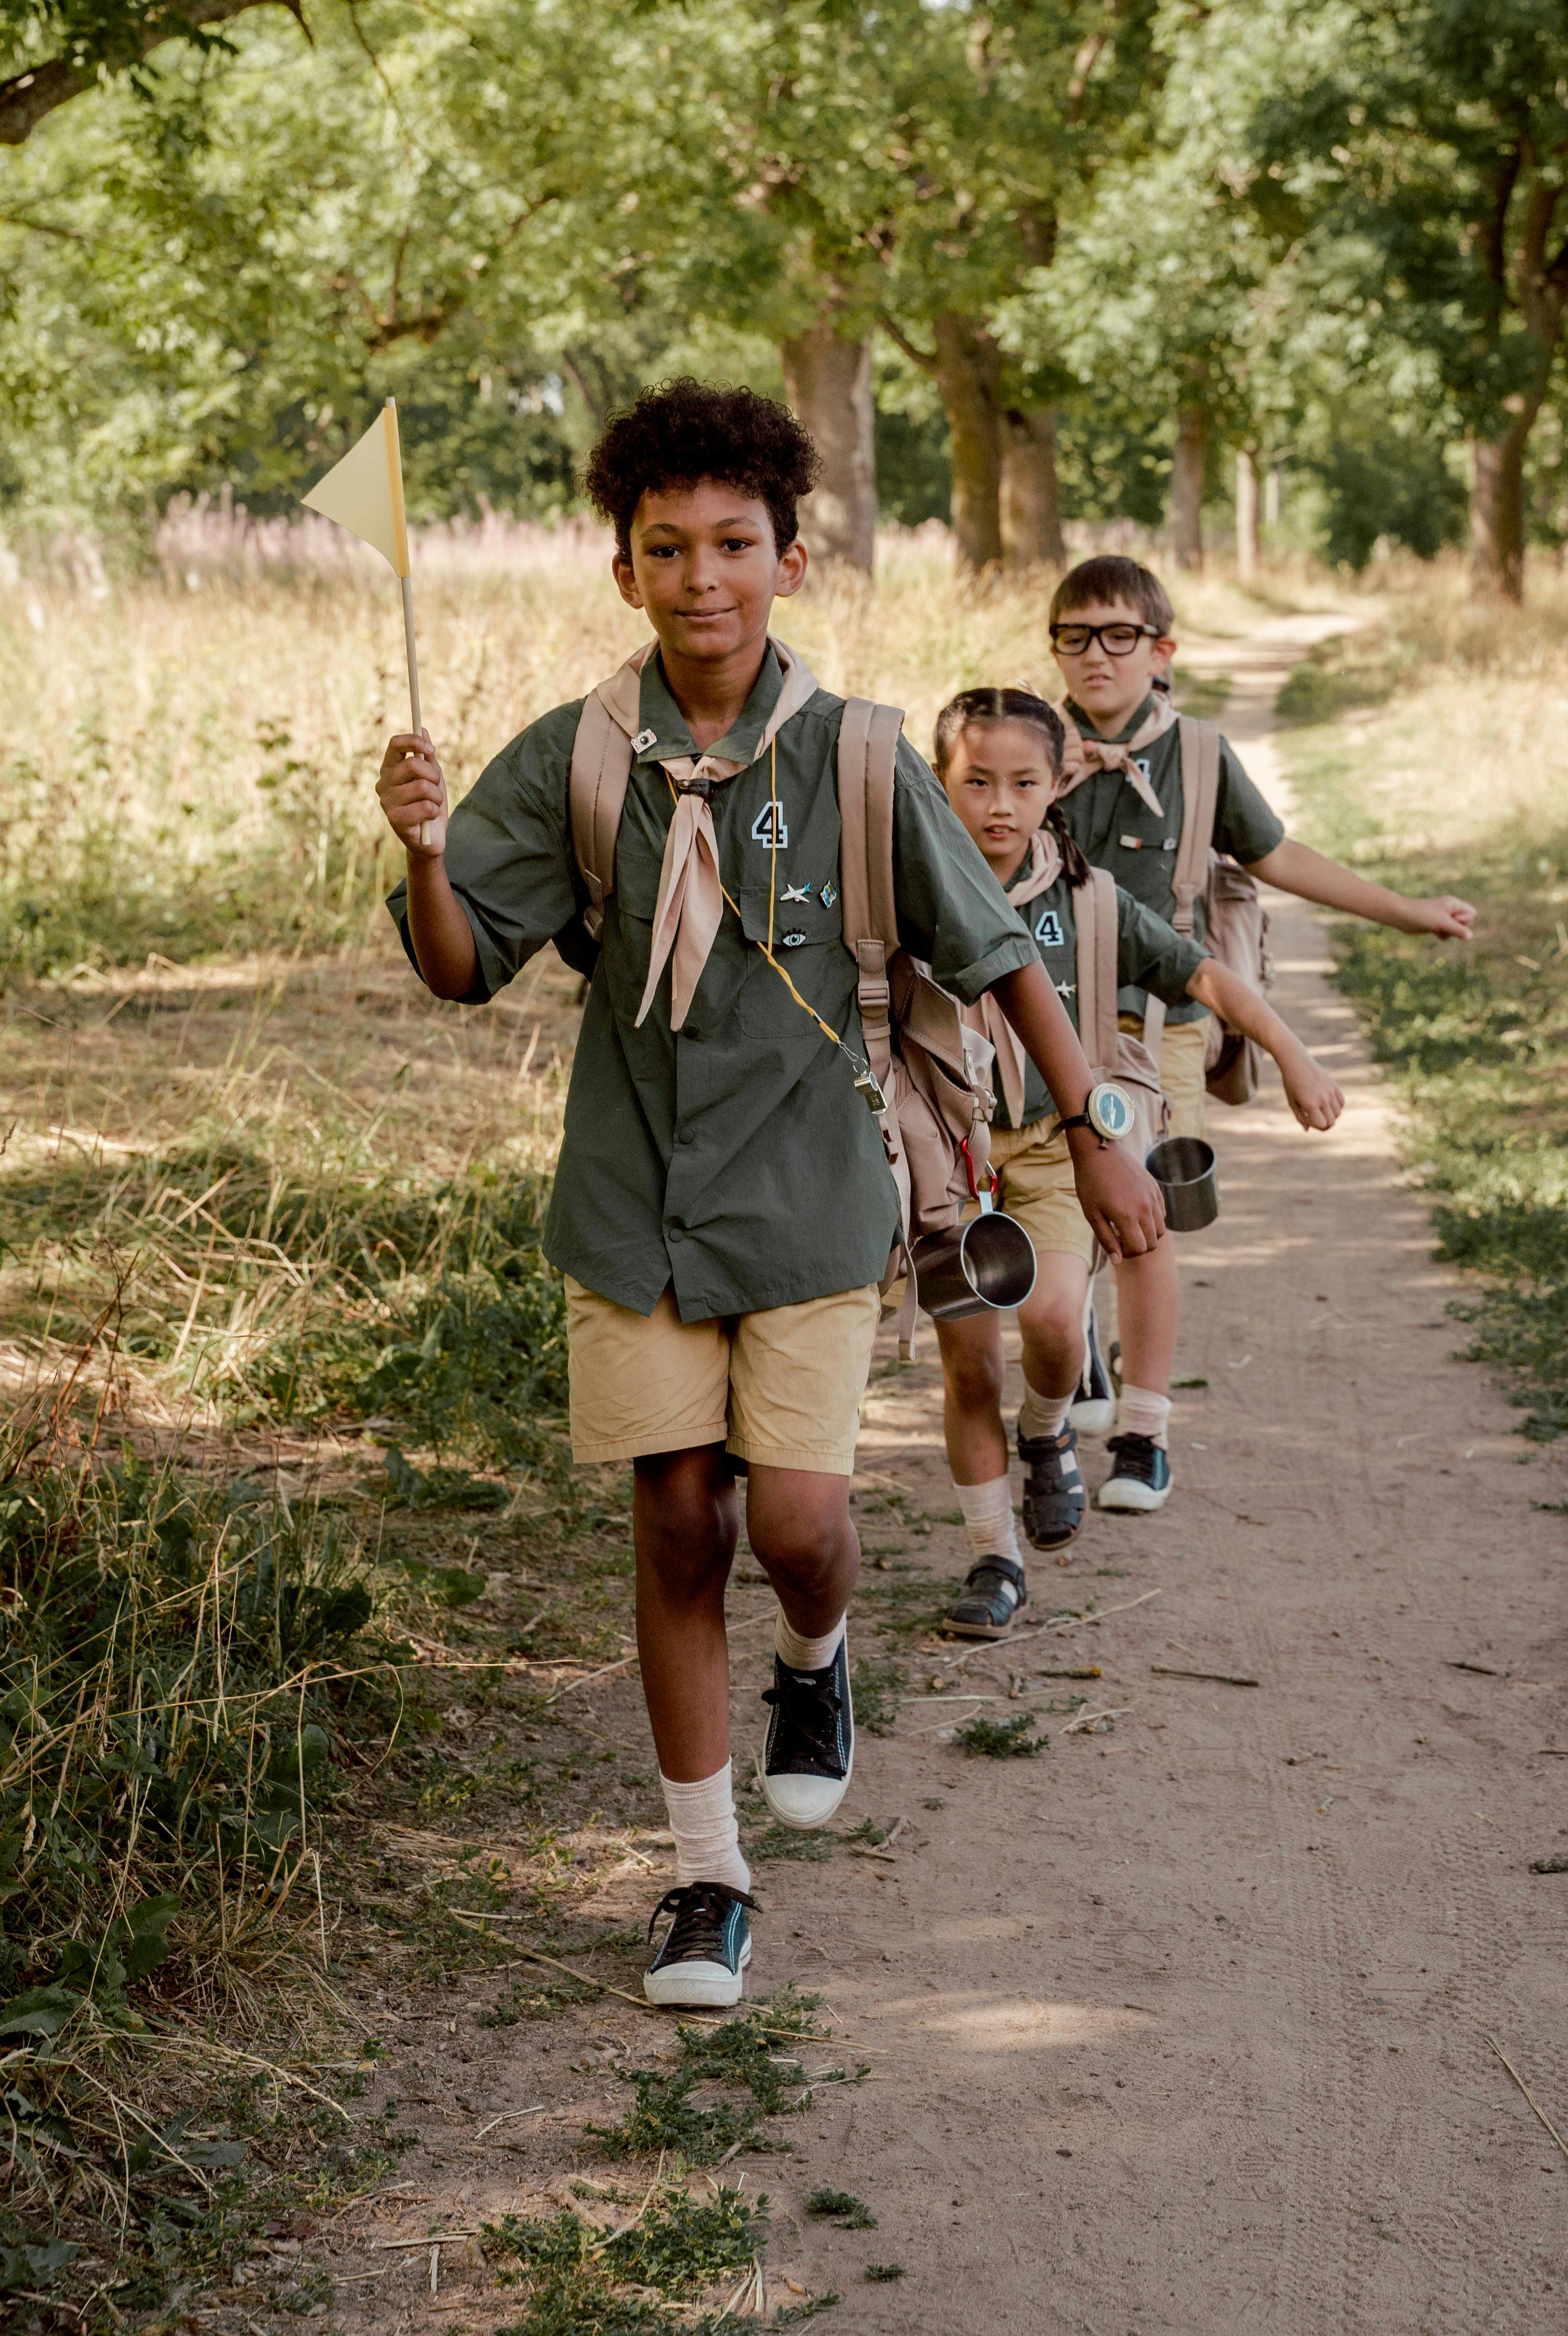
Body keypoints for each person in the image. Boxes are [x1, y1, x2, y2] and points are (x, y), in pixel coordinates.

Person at [373, 383, 1162, 2010]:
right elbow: (462, 972)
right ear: (625, 571)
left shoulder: (864, 756)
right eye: (666, 547)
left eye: (735, 543)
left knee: (797, 1526)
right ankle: (703, 1876)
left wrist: (1092, 1127)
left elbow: (999, 955)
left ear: (791, 560)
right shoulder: (580, 751)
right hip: (634, 1197)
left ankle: (817, 1657)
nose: (701, 576)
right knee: (675, 1517)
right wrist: (427, 851)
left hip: (807, 1198)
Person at [1046, 553, 1474, 1508]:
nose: (1094, 656)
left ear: (1162, 650)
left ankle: (1145, 1434)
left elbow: (1278, 858)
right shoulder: (1031, 744)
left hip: (1164, 1024)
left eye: (1118, 636)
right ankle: (1074, 1351)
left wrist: (1405, 909)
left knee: (1148, 1215)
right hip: (1045, 1021)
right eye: (1073, 637)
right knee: (1057, 1203)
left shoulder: (1198, 754)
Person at [930, 689, 1344, 1614]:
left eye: (1024, 782)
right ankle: (995, 1559)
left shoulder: (1089, 899)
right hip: (942, 1159)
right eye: (976, 782)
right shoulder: (903, 898)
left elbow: (1200, 973)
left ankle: (1046, 1433)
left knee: (1049, 1326)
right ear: (937, 785)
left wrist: (1292, 1051)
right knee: (969, 1367)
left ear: (1056, 788)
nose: (1000, 804)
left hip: (1048, 1153)